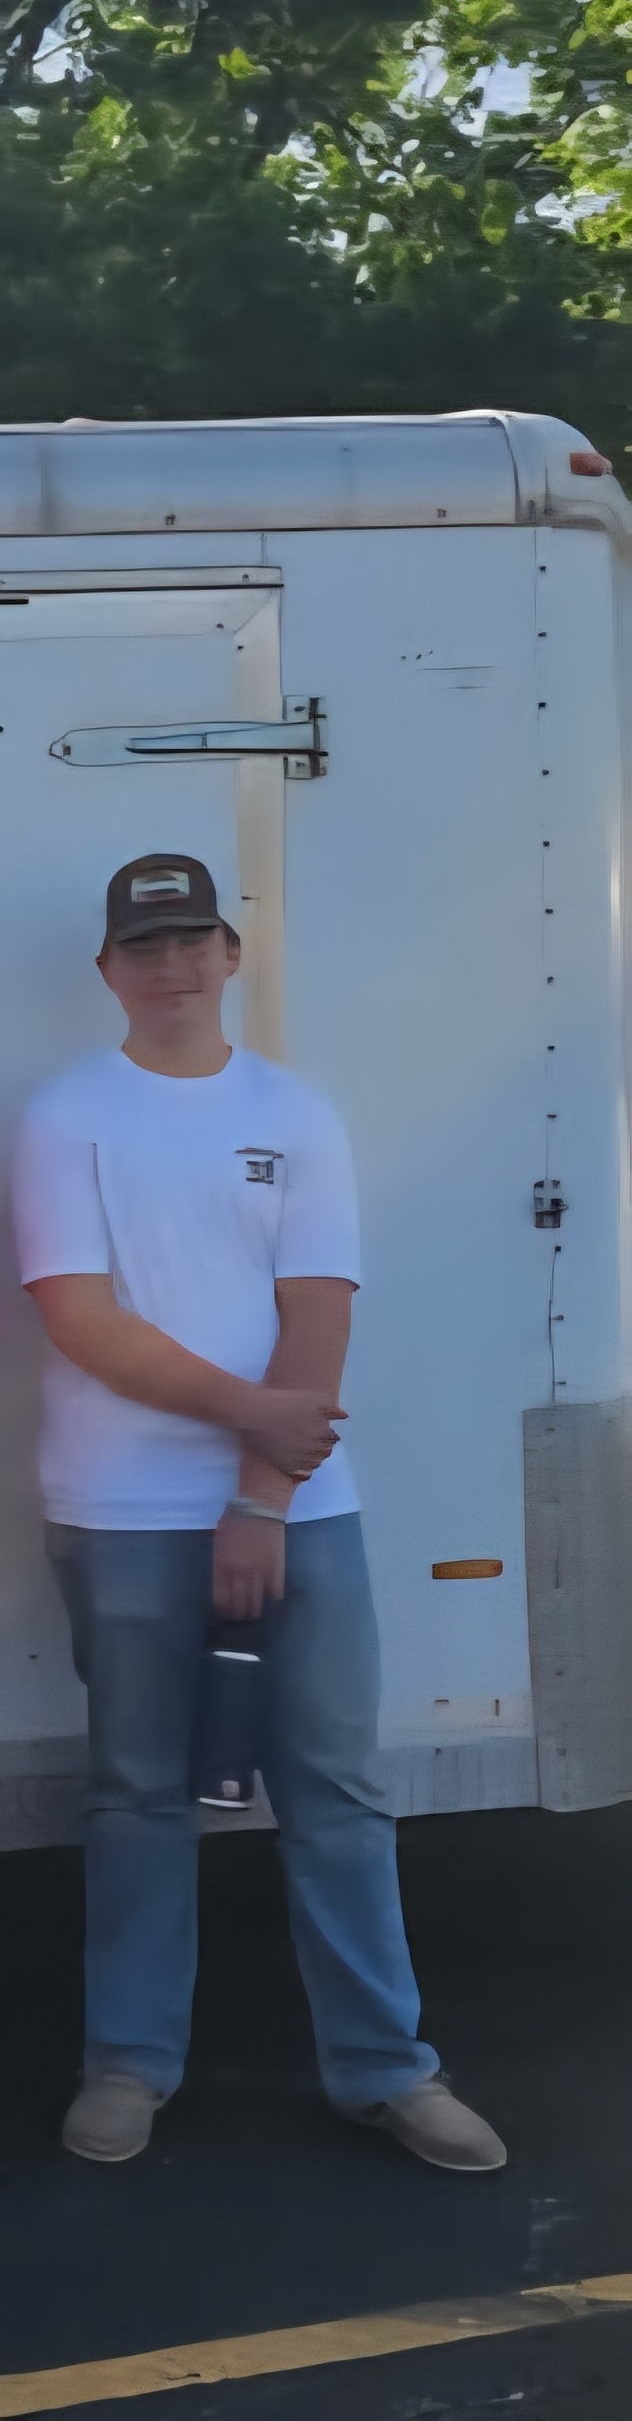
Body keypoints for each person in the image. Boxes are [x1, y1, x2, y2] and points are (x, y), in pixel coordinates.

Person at [11, 851, 506, 2172]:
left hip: (299, 1510)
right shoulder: (66, 1114)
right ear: (109, 970)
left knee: (337, 1789)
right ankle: (128, 2062)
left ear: (232, 956)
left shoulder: (297, 1113)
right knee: (137, 1791)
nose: (172, 967)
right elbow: (82, 1318)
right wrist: (254, 1424)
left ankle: (386, 2068)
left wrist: (262, 1501)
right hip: (121, 1510)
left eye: (194, 941)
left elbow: (319, 1313)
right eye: (145, 947)